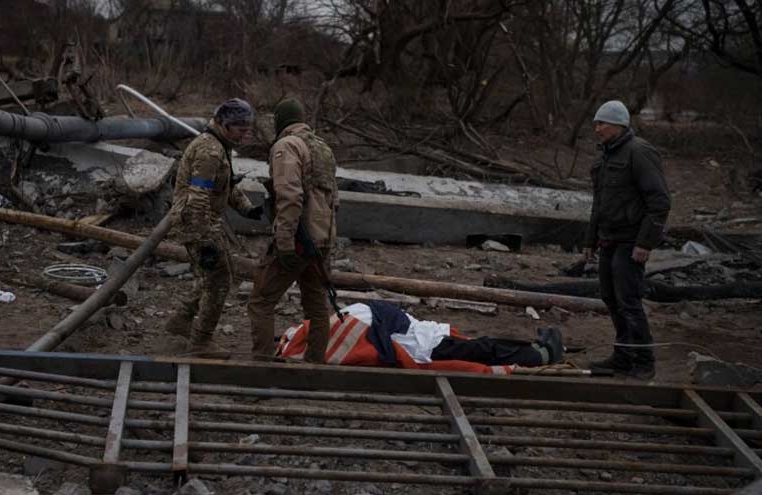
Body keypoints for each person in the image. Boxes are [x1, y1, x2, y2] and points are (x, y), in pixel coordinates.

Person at [165, 98, 264, 357]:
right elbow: (199, 196)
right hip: (197, 224)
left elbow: (225, 185)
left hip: (205, 223)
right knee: (219, 281)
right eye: (241, 129)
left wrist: (248, 209)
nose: (245, 134)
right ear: (225, 125)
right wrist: (204, 240)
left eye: (247, 129)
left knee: (214, 275)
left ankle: (182, 320)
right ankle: (201, 342)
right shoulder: (209, 152)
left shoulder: (220, 145)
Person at [582, 100, 671, 379]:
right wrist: (589, 241)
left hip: (631, 242)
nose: (597, 129)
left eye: (603, 124)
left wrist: (645, 243)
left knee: (629, 301)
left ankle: (644, 362)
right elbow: (599, 204)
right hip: (609, 238)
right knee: (610, 298)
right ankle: (622, 357)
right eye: (596, 124)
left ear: (619, 124)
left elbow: (659, 201)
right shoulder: (604, 158)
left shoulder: (639, 152)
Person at [247, 98, 339, 363]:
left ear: (280, 121)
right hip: (321, 239)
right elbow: (335, 198)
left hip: (299, 238)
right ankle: (314, 366)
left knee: (260, 302)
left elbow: (289, 196)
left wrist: (285, 242)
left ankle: (262, 367)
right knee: (317, 307)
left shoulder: (287, 145)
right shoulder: (323, 148)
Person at [277, 301, 564, 374]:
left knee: (478, 346)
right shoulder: (337, 335)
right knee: (480, 348)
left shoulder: (329, 331)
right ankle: (541, 354)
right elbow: (373, 347)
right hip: (418, 345)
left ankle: (537, 349)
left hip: (408, 334)